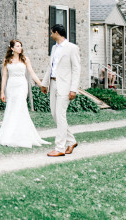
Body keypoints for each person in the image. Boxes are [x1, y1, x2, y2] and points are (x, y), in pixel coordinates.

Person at [0, 40, 49, 148]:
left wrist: (41, 84)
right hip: (11, 86)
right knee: (11, 108)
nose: (20, 48)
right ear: (12, 48)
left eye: (21, 46)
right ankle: (9, 135)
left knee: (20, 107)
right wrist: (2, 92)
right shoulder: (7, 60)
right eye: (17, 46)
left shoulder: (25, 59)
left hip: (21, 85)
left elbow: (32, 73)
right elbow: (4, 76)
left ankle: (23, 135)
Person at [40, 24, 81, 157]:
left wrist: (73, 89)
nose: (50, 35)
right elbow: (50, 67)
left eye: (51, 33)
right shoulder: (54, 48)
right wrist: (44, 84)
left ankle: (60, 148)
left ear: (57, 33)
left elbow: (76, 69)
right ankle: (71, 141)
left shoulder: (72, 48)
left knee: (61, 114)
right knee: (55, 114)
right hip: (53, 83)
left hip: (65, 86)